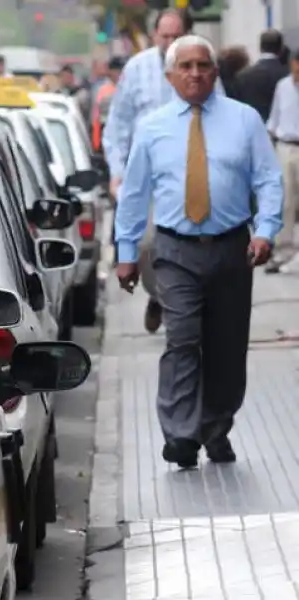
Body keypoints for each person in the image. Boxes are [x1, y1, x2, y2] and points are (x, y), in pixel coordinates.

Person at [114, 35, 283, 469]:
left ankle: (216, 426)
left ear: (214, 72)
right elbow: (134, 195)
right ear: (170, 76)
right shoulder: (152, 128)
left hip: (232, 249)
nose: (194, 74)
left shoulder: (244, 121)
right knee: (182, 340)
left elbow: (268, 180)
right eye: (184, 66)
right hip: (175, 251)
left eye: (202, 65)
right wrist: (127, 251)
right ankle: (181, 435)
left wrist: (265, 231)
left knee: (226, 347)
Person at [103, 8, 225, 335]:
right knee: (145, 246)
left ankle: (177, 306)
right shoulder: (136, 70)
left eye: (177, 36)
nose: (170, 42)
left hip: (190, 175)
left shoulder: (203, 69)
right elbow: (117, 127)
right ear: (155, 35)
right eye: (165, 36)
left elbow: (222, 118)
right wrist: (116, 173)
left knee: (187, 246)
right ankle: (158, 295)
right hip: (145, 178)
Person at [265, 48, 299, 273]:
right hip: (286, 147)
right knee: (285, 202)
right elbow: (273, 118)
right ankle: (283, 251)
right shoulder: (283, 87)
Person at [234, 30, 289, 121]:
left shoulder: (243, 75)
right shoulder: (287, 75)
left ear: (260, 48)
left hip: (252, 125)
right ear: (281, 49)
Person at [91, 56, 125, 154]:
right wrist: (96, 144)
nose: (119, 74)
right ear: (110, 72)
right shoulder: (103, 90)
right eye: (117, 71)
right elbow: (96, 119)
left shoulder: (127, 89)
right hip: (106, 136)